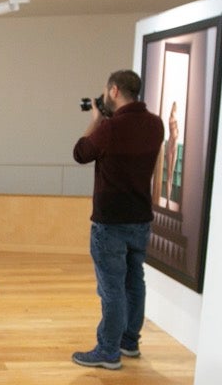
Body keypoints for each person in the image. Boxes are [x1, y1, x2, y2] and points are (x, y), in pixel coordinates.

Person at [70, 69, 163, 369]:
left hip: (110, 222)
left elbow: (81, 153)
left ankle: (108, 350)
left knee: (111, 288)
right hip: (140, 219)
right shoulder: (156, 124)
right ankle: (129, 342)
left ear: (113, 91)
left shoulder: (110, 128)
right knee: (135, 282)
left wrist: (96, 119)